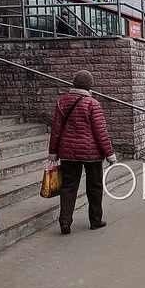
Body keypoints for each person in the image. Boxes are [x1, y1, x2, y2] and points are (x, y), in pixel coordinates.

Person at [48, 70, 117, 235]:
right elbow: (101, 131)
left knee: (68, 186)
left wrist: (53, 152)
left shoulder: (62, 102)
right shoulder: (93, 104)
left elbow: (56, 130)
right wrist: (109, 154)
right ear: (90, 86)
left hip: (68, 152)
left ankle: (65, 221)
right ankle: (95, 220)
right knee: (94, 186)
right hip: (91, 153)